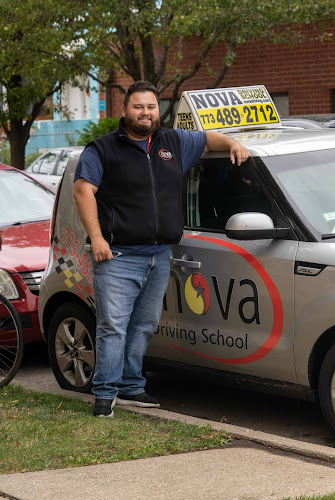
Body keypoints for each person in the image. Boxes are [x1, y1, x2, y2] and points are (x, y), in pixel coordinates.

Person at [73, 81, 250, 417]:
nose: (145, 113)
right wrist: (96, 237)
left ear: (159, 110)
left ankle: (131, 387)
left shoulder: (172, 142)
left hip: (159, 256)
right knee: (113, 327)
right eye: (138, 107)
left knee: (143, 325)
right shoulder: (102, 149)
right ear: (124, 110)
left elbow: (207, 138)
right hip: (118, 257)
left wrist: (232, 142)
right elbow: (83, 191)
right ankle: (104, 396)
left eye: (151, 107)